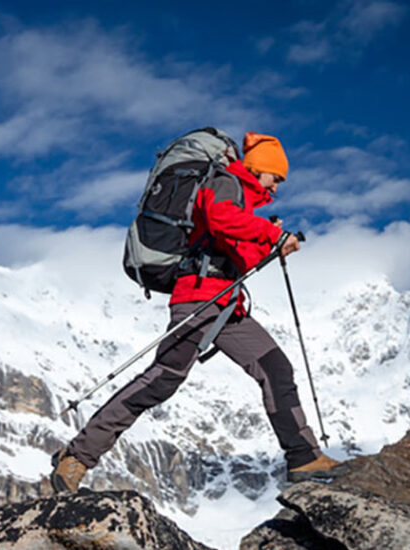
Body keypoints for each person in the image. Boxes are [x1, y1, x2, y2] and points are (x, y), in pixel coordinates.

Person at [50, 132, 344, 492]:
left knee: (275, 368)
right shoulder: (226, 183)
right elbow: (221, 220)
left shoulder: (240, 201)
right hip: (198, 298)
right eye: (275, 177)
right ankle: (77, 457)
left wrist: (271, 244)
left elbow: (232, 251)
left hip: (225, 302)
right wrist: (270, 234)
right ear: (259, 167)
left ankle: (303, 458)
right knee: (162, 379)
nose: (276, 186)